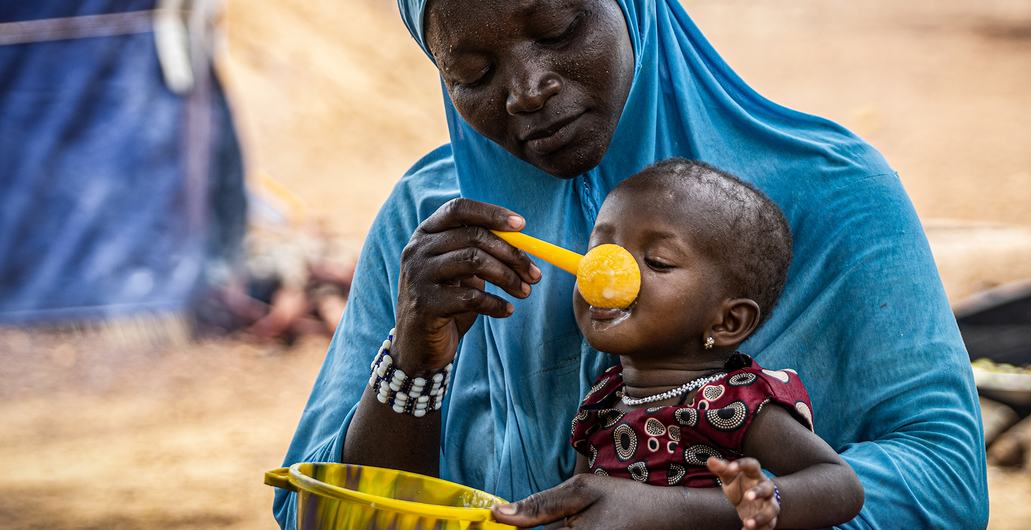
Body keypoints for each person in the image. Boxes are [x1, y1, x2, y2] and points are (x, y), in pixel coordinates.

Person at [276, 1, 989, 528]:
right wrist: (415, 358)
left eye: (557, 30)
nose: (526, 89)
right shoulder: (431, 219)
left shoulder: (829, 190)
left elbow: (944, 482)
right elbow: (309, 512)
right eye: (473, 71)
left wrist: (678, 513)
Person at [565, 159, 862, 529]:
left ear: (727, 321)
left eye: (656, 261)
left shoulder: (733, 403)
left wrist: (762, 500)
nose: (607, 272)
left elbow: (841, 485)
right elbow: (576, 500)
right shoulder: (601, 400)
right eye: (599, 252)